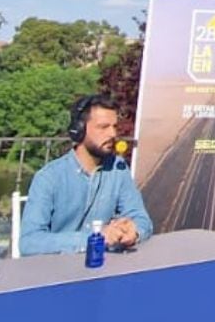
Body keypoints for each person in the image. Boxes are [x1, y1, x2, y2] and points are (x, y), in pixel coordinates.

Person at [19, 93, 155, 255]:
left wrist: (134, 231)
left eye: (114, 127)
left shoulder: (118, 168)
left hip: (106, 268)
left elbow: (142, 219)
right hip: (60, 271)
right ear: (79, 130)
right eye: (103, 127)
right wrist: (94, 239)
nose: (112, 134)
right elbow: (29, 242)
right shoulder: (49, 177)